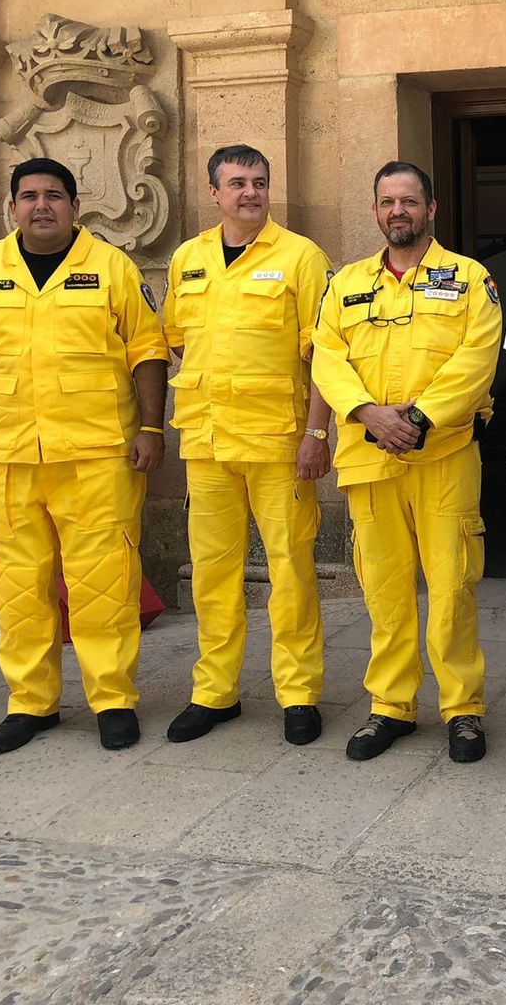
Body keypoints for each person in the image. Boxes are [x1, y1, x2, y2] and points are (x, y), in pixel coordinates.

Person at [0, 157, 169, 753]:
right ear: (11, 207)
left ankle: (112, 698)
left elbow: (147, 350)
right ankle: (31, 703)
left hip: (96, 456)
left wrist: (150, 427)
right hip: (10, 458)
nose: (42, 205)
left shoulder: (111, 268)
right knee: (16, 586)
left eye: (55, 196)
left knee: (104, 585)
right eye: (30, 196)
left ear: (75, 206)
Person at [312, 160, 501, 764]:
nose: (399, 211)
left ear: (431, 209)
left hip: (443, 454)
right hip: (370, 457)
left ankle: (463, 709)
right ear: (375, 210)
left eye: (410, 201)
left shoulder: (469, 278)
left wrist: (417, 420)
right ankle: (390, 706)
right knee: (385, 590)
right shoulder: (345, 284)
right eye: (388, 201)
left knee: (451, 588)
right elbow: (326, 356)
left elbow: (477, 359)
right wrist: (369, 413)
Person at [162, 144, 334, 747]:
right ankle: (215, 691)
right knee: (213, 574)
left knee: (290, 572)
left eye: (259, 182)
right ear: (214, 192)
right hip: (206, 443)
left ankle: (298, 693)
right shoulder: (187, 259)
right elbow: (179, 341)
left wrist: (316, 432)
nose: (250, 193)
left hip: (278, 444)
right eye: (236, 183)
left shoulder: (301, 258)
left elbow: (326, 355)